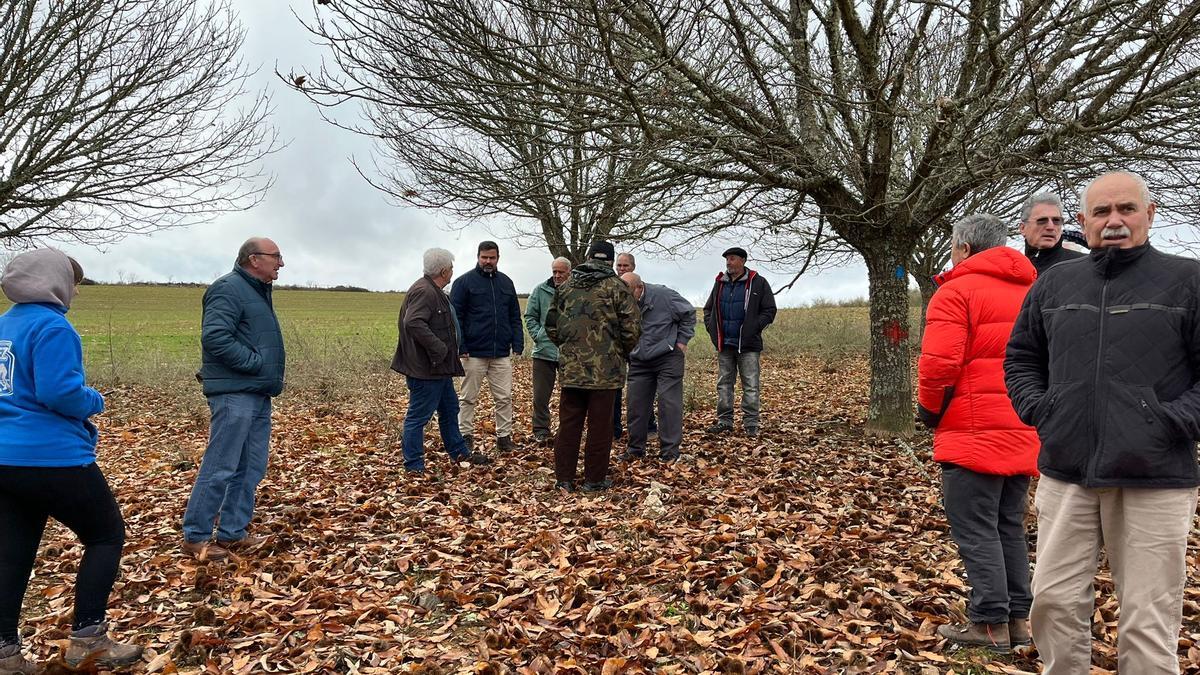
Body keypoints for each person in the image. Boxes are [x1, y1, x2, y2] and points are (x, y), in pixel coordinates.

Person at [1006, 171, 1200, 673]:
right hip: (1067, 470)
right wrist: (1041, 409)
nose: (1114, 221)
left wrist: (1168, 423)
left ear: (1150, 215)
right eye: (1101, 212)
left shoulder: (1188, 280)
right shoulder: (1054, 282)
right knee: (1052, 603)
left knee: (1148, 616)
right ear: (1084, 221)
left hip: (1155, 475)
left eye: (1126, 209)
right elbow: (1023, 356)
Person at [0, 250, 142, 672]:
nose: (75, 290)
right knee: (105, 535)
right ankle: (89, 638)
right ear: (53, 281)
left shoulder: (4, 325)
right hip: (53, 457)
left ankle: (5, 652)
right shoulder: (52, 326)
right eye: (72, 281)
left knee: (13, 552)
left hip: (5, 459)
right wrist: (94, 399)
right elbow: (60, 393)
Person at [917, 215, 1039, 653]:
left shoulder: (955, 293)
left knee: (975, 528)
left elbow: (938, 366)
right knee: (1008, 524)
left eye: (953, 245)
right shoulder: (1032, 291)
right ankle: (1019, 619)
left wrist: (930, 413)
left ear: (965, 248)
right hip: (1023, 426)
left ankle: (989, 621)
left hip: (972, 431)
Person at [182, 237, 286, 562]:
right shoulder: (228, 289)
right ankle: (196, 537)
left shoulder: (255, 291)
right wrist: (255, 363)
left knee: (251, 466)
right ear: (254, 259)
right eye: (276, 257)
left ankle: (233, 533)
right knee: (221, 465)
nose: (280, 263)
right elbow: (215, 337)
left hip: (255, 393)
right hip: (234, 393)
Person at [547, 241, 640, 492]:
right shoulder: (618, 287)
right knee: (600, 426)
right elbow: (632, 329)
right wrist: (618, 352)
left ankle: (563, 478)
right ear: (610, 261)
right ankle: (594, 480)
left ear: (588, 257)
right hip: (606, 372)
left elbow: (551, 325)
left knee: (569, 424)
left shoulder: (566, 287)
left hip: (572, 370)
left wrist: (570, 348)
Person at [393, 249, 491, 472]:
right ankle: (414, 466)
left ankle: (459, 453)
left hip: (439, 368)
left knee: (449, 409)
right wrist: (440, 348)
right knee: (418, 417)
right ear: (444, 270)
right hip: (426, 369)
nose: (452, 272)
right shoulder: (424, 292)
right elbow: (413, 322)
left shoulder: (431, 289)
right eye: (451, 268)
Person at [450, 241, 523, 452]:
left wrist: (517, 342)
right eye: (484, 257)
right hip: (472, 353)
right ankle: (465, 436)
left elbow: (514, 316)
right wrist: (460, 345)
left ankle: (504, 438)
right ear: (478, 257)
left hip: (500, 353)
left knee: (504, 397)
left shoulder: (506, 283)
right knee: (468, 398)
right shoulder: (464, 283)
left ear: (498, 257)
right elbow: (456, 318)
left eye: (492, 257)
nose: (488, 261)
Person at [702, 247, 777, 436]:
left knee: (750, 384)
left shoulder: (758, 283)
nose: (728, 262)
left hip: (749, 345)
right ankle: (724, 421)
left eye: (732, 259)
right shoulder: (720, 283)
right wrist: (712, 329)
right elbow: (708, 309)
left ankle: (751, 424)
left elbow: (769, 310)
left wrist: (753, 327)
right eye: (727, 259)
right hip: (724, 344)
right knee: (724, 384)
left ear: (742, 261)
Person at [620, 273, 695, 462]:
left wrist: (681, 342)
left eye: (629, 294)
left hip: (667, 357)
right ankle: (635, 449)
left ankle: (670, 452)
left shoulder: (664, 295)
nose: (625, 299)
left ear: (639, 288)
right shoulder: (621, 299)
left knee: (668, 404)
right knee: (635, 406)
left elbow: (688, 313)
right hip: (639, 360)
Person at [524, 257, 571, 444]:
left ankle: (566, 430)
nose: (557, 275)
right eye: (554, 272)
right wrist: (539, 335)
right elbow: (529, 316)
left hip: (570, 352)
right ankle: (541, 430)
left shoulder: (577, 291)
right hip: (544, 352)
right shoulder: (540, 290)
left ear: (569, 272)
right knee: (541, 396)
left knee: (569, 396)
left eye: (561, 272)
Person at [1018, 192, 1084, 273]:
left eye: (1056, 221)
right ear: (1023, 228)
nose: (1050, 227)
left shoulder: (1084, 266)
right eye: (1042, 221)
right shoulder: (1011, 270)